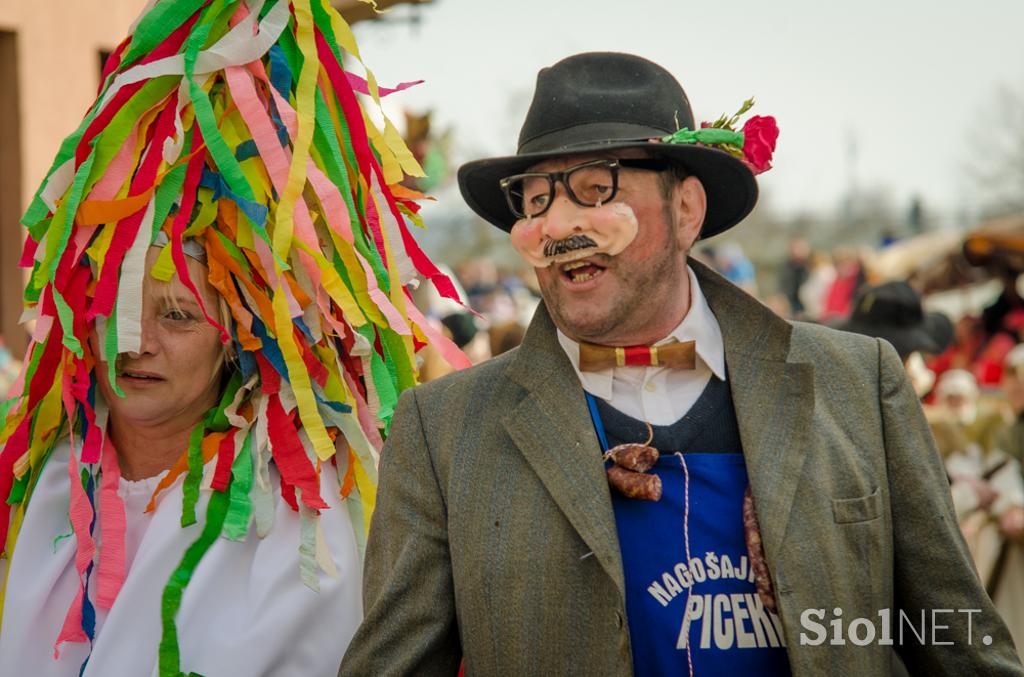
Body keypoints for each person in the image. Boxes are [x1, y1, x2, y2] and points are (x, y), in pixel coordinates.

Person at [339, 52, 1023, 675]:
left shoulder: (858, 383)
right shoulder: (445, 430)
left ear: (686, 208)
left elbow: (960, 646)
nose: (555, 224)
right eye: (537, 197)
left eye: (594, 187)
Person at [0, 2, 464, 675]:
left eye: (179, 315)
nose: (135, 339)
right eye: (116, 306)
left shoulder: (303, 524)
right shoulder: (31, 485)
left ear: (237, 337)